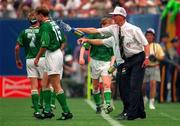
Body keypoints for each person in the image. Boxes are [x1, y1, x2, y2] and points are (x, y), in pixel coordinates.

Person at [77, 6, 150, 120]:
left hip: (137, 58)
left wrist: (146, 58)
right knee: (123, 87)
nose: (113, 17)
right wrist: (81, 31)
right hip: (125, 61)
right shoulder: (114, 29)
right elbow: (96, 33)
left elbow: (145, 44)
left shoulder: (134, 29)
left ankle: (131, 113)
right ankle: (137, 112)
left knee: (134, 86)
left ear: (122, 16)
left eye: (115, 15)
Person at [34, 6, 73, 120]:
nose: (36, 17)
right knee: (44, 84)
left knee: (56, 85)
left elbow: (44, 44)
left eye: (36, 15)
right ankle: (47, 110)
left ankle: (66, 112)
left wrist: (37, 58)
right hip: (54, 54)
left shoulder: (45, 26)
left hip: (53, 55)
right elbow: (62, 40)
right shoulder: (53, 23)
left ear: (41, 15)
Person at [79, 17, 115, 114]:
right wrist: (81, 57)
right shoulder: (95, 35)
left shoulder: (112, 36)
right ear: (103, 25)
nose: (109, 27)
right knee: (95, 86)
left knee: (107, 84)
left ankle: (107, 104)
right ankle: (98, 105)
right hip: (95, 62)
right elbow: (84, 44)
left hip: (106, 63)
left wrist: (112, 64)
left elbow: (114, 53)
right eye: (107, 25)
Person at [15, 11, 44, 119]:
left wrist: (18, 59)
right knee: (45, 84)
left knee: (34, 86)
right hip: (42, 58)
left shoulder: (23, 32)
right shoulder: (42, 30)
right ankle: (47, 109)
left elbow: (17, 48)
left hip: (29, 60)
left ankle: (36, 111)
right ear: (38, 20)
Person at [142, 28, 165, 109]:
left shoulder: (157, 46)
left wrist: (156, 57)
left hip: (154, 66)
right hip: (144, 67)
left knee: (153, 84)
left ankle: (152, 101)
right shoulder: (142, 45)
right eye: (147, 35)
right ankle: (144, 97)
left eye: (151, 35)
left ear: (153, 37)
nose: (149, 36)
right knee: (142, 85)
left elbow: (162, 57)